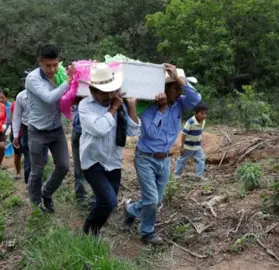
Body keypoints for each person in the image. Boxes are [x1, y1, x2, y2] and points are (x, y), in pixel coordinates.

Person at [124, 64, 202, 245]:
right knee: (151, 198)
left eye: (181, 88)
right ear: (165, 88)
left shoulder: (180, 105)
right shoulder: (149, 108)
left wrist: (178, 77)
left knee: (156, 200)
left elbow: (196, 98)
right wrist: (160, 110)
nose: (180, 92)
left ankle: (131, 209)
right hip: (146, 158)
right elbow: (149, 133)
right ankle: (147, 232)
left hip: (165, 159)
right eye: (176, 88)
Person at [78, 63, 140, 236]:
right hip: (93, 161)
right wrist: (113, 109)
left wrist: (131, 107)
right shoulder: (86, 106)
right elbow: (99, 129)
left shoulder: (120, 106)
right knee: (109, 200)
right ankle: (88, 231)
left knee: (107, 202)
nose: (109, 96)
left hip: (113, 160)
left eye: (111, 91)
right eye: (104, 92)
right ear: (92, 91)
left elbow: (133, 131)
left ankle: (93, 232)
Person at [24, 44, 74, 212]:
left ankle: (47, 192)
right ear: (40, 62)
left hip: (56, 129)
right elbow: (49, 97)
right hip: (37, 131)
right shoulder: (32, 79)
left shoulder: (60, 73)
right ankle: (36, 204)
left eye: (55, 64)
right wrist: (68, 82)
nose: (52, 69)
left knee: (64, 166)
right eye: (48, 65)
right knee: (37, 170)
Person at [12, 75, 49, 184]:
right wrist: (15, 135)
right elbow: (17, 116)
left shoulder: (44, 93)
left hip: (43, 128)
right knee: (28, 156)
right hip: (27, 129)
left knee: (44, 158)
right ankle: (29, 183)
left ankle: (38, 179)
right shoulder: (21, 96)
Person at [174, 103, 209, 181]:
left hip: (197, 146)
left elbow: (199, 132)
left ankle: (199, 176)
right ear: (195, 113)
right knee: (182, 160)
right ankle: (177, 175)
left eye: (205, 113)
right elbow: (183, 134)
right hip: (187, 146)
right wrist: (182, 146)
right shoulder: (190, 122)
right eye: (202, 113)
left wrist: (200, 140)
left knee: (201, 159)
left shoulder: (203, 121)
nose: (204, 115)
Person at [71, 101, 93, 207]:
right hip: (79, 131)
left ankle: (96, 198)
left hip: (95, 133)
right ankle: (81, 196)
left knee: (97, 166)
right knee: (78, 168)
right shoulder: (80, 88)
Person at [0, 90, 13, 165]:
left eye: (2, 97)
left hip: (7, 130)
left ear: (6, 97)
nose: (1, 100)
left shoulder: (10, 106)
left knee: (2, 147)